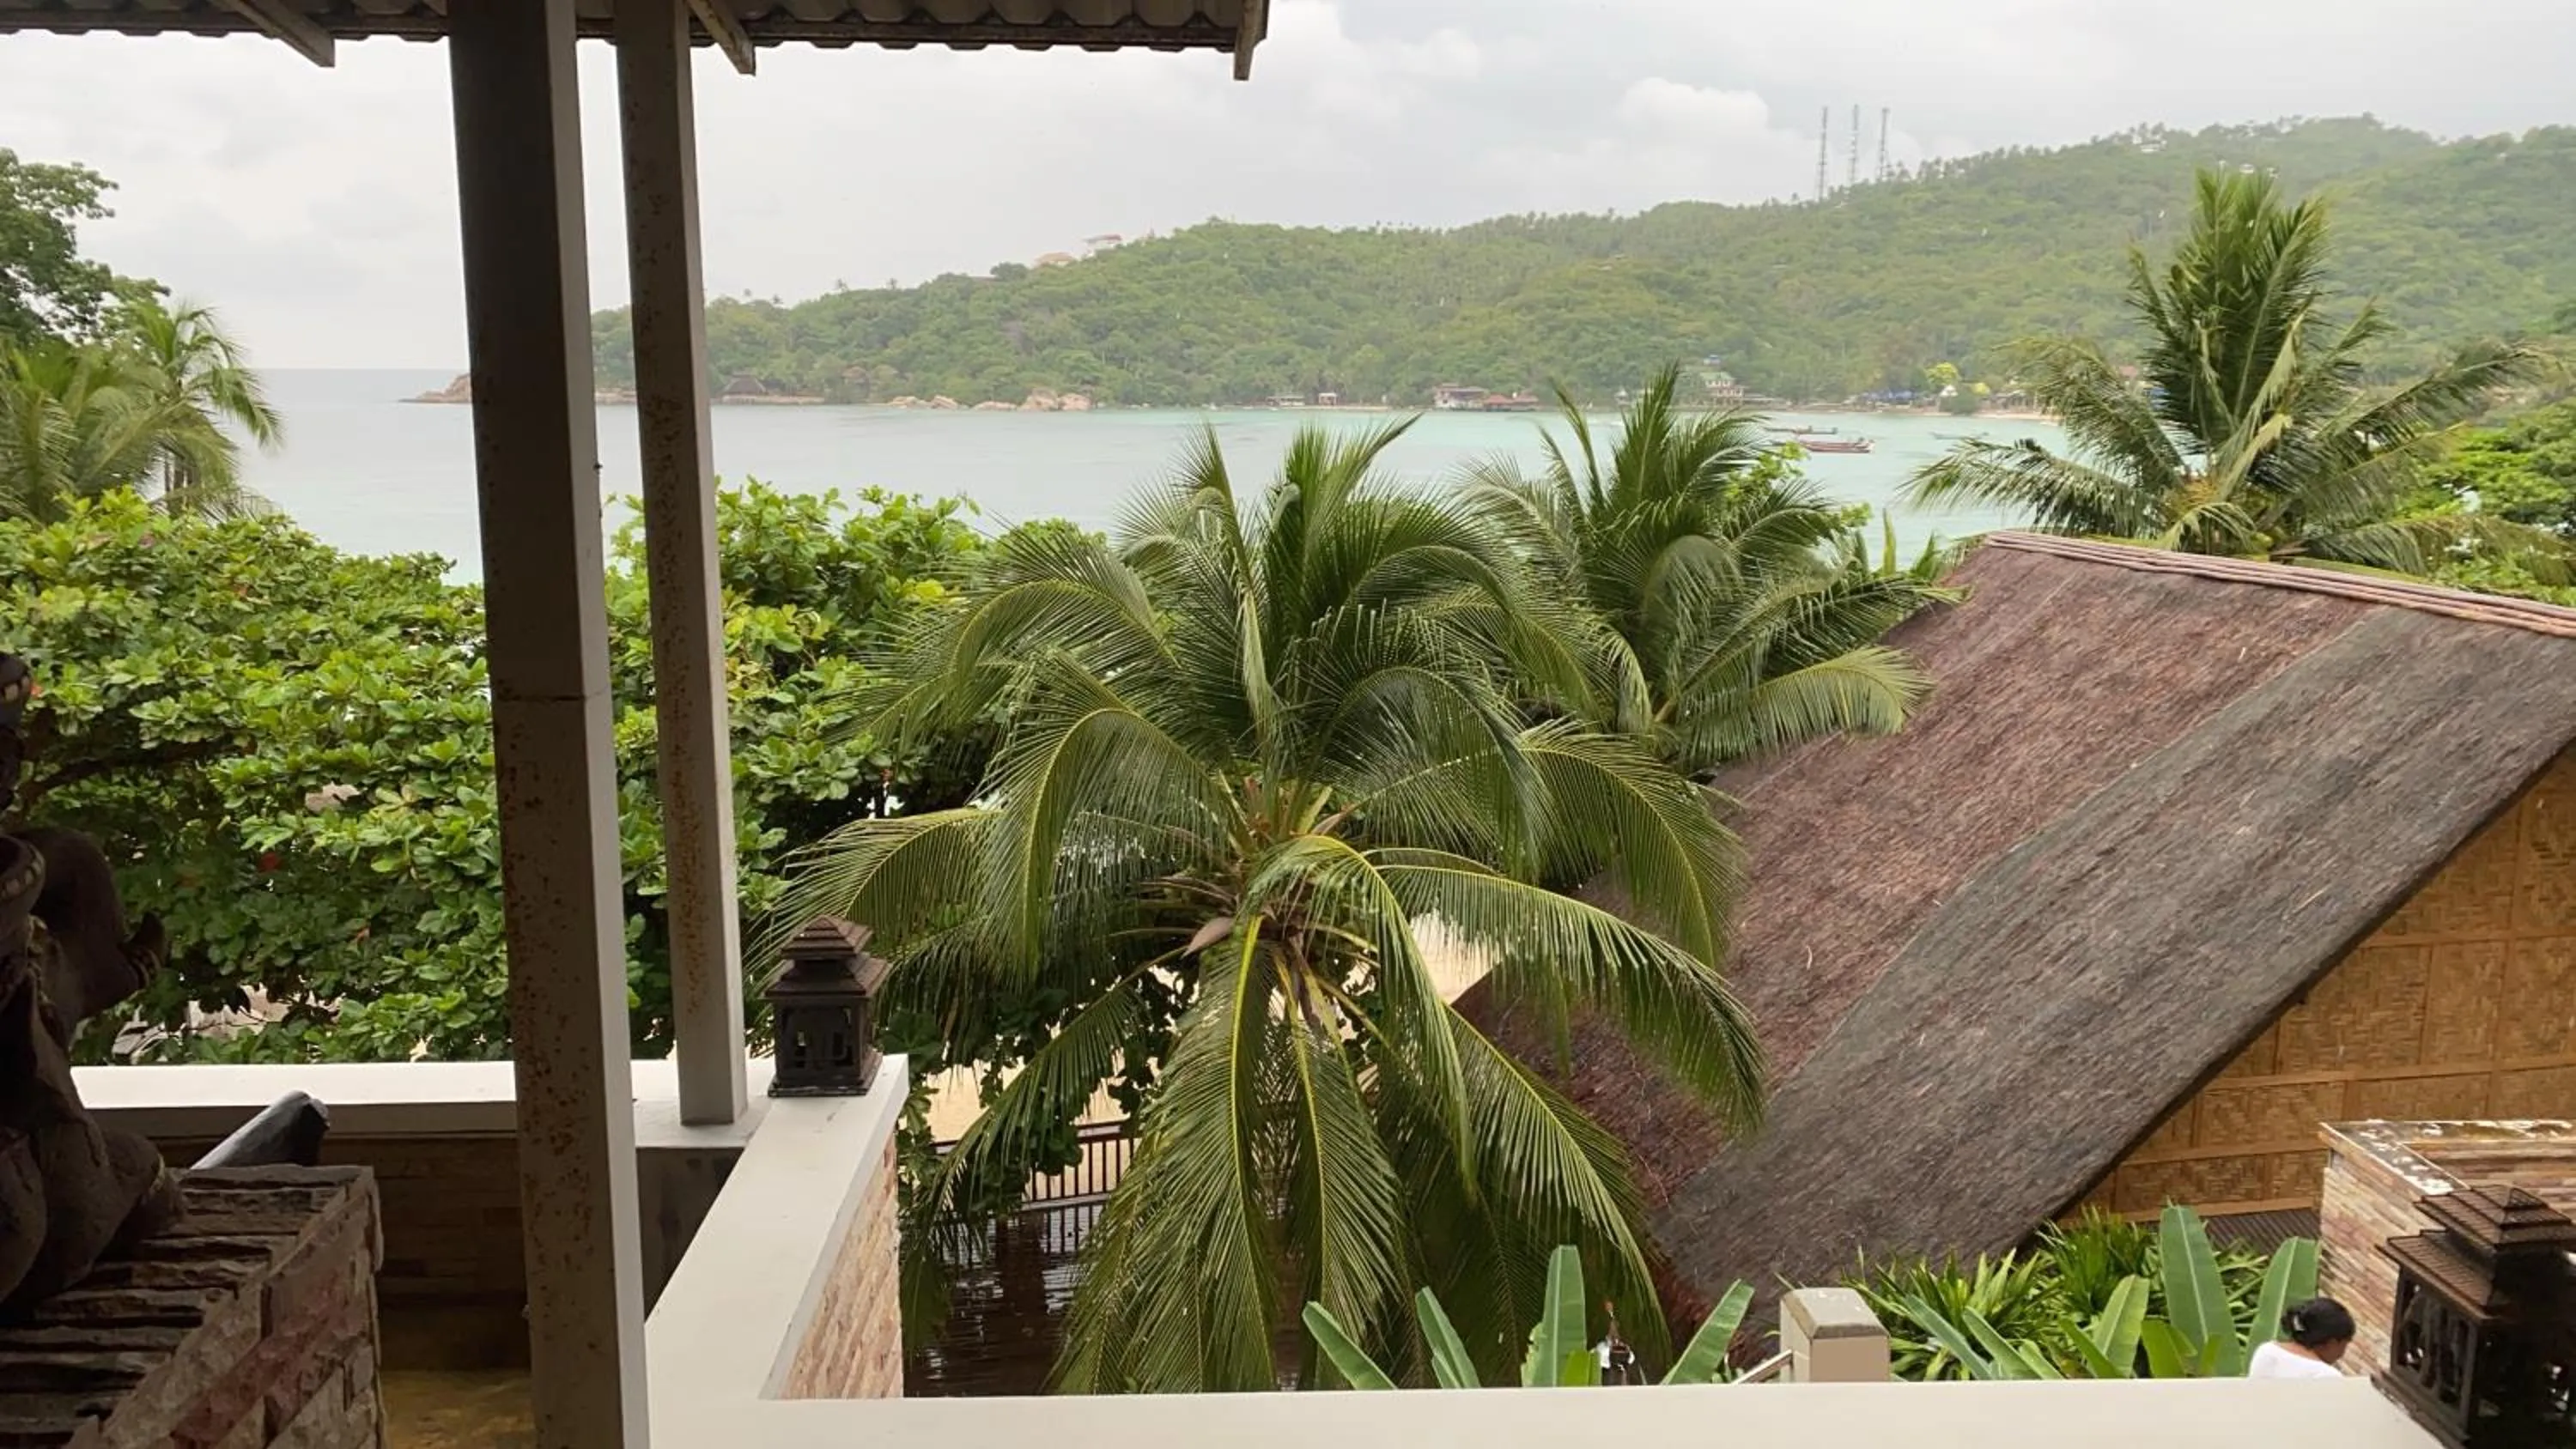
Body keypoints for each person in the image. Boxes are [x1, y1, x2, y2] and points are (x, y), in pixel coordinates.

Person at [2248, 1296, 2356, 1379]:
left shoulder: (2266, 1350)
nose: (2342, 1354)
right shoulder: (2326, 1375)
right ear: (2332, 1343)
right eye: (2345, 1344)